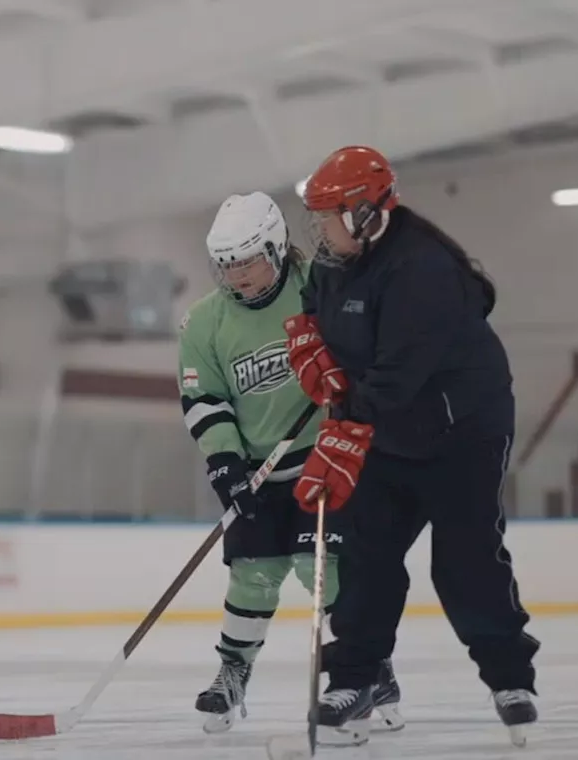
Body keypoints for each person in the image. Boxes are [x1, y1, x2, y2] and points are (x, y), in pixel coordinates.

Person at [283, 145, 540, 747]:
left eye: (325, 217)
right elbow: (315, 311)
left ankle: (510, 678)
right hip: (387, 430)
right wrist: (309, 346)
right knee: (365, 558)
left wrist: (342, 423)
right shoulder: (333, 263)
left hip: (461, 432)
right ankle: (352, 680)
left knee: (464, 557)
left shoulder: (422, 270)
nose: (317, 231)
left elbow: (397, 379)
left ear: (364, 214)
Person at [178, 191, 403, 735]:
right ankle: (232, 674)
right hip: (258, 468)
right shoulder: (204, 323)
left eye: (248, 261)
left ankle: (365, 671)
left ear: (278, 250)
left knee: (322, 570)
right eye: (227, 266)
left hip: (323, 458)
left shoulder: (320, 289)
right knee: (251, 575)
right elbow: (205, 400)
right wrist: (225, 464)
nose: (238, 276)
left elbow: (370, 346)